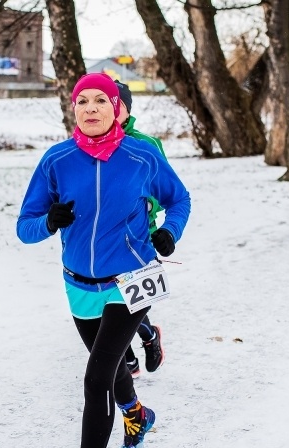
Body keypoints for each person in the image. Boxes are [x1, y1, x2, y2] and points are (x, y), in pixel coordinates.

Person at [16, 73, 191, 448]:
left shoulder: (141, 155)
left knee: (96, 379)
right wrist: (49, 222)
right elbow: (25, 226)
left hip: (130, 280)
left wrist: (169, 232)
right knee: (111, 372)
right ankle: (138, 416)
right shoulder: (57, 160)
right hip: (79, 285)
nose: (91, 108)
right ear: (73, 109)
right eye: (82, 101)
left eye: (101, 100)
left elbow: (180, 198)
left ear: (118, 108)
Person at [114, 80, 166, 378]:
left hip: (138, 237)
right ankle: (128, 355)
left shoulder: (145, 144)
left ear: (126, 108)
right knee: (106, 301)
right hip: (101, 238)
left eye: (114, 103)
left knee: (131, 300)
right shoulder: (87, 144)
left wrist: (150, 206)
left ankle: (147, 335)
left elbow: (165, 188)